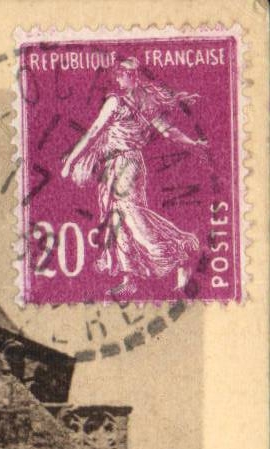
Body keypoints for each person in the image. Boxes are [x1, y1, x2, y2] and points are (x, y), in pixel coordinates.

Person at [60, 59, 208, 296]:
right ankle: (129, 277)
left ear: (130, 76)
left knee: (129, 214)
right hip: (125, 164)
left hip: (124, 164)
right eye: (118, 75)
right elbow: (169, 131)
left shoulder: (116, 102)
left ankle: (177, 255)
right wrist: (193, 143)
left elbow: (93, 133)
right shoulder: (146, 102)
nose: (118, 79)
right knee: (116, 217)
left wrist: (70, 161)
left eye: (121, 75)